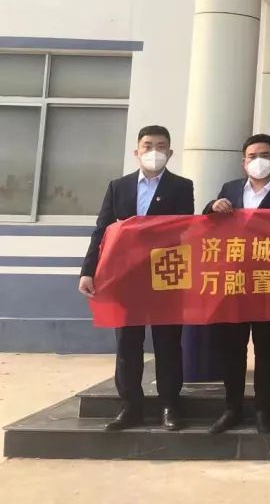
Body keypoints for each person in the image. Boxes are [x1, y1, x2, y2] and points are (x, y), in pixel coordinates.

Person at [77, 125, 194, 432]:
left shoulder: (182, 187)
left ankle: (170, 405)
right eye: (148, 146)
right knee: (128, 342)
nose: (154, 152)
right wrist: (88, 270)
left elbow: (182, 229)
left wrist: (136, 230)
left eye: (161, 146)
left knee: (168, 342)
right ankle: (130, 406)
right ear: (137, 151)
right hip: (126, 275)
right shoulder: (119, 186)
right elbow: (102, 230)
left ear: (170, 152)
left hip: (166, 271)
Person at [205, 134, 270, 435]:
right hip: (235, 283)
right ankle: (232, 408)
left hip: (269, 283)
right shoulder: (230, 189)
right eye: (252, 156)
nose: (258, 161)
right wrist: (211, 206)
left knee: (265, 350)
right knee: (233, 350)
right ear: (243, 162)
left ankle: (263, 409)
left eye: (265, 155)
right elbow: (207, 226)